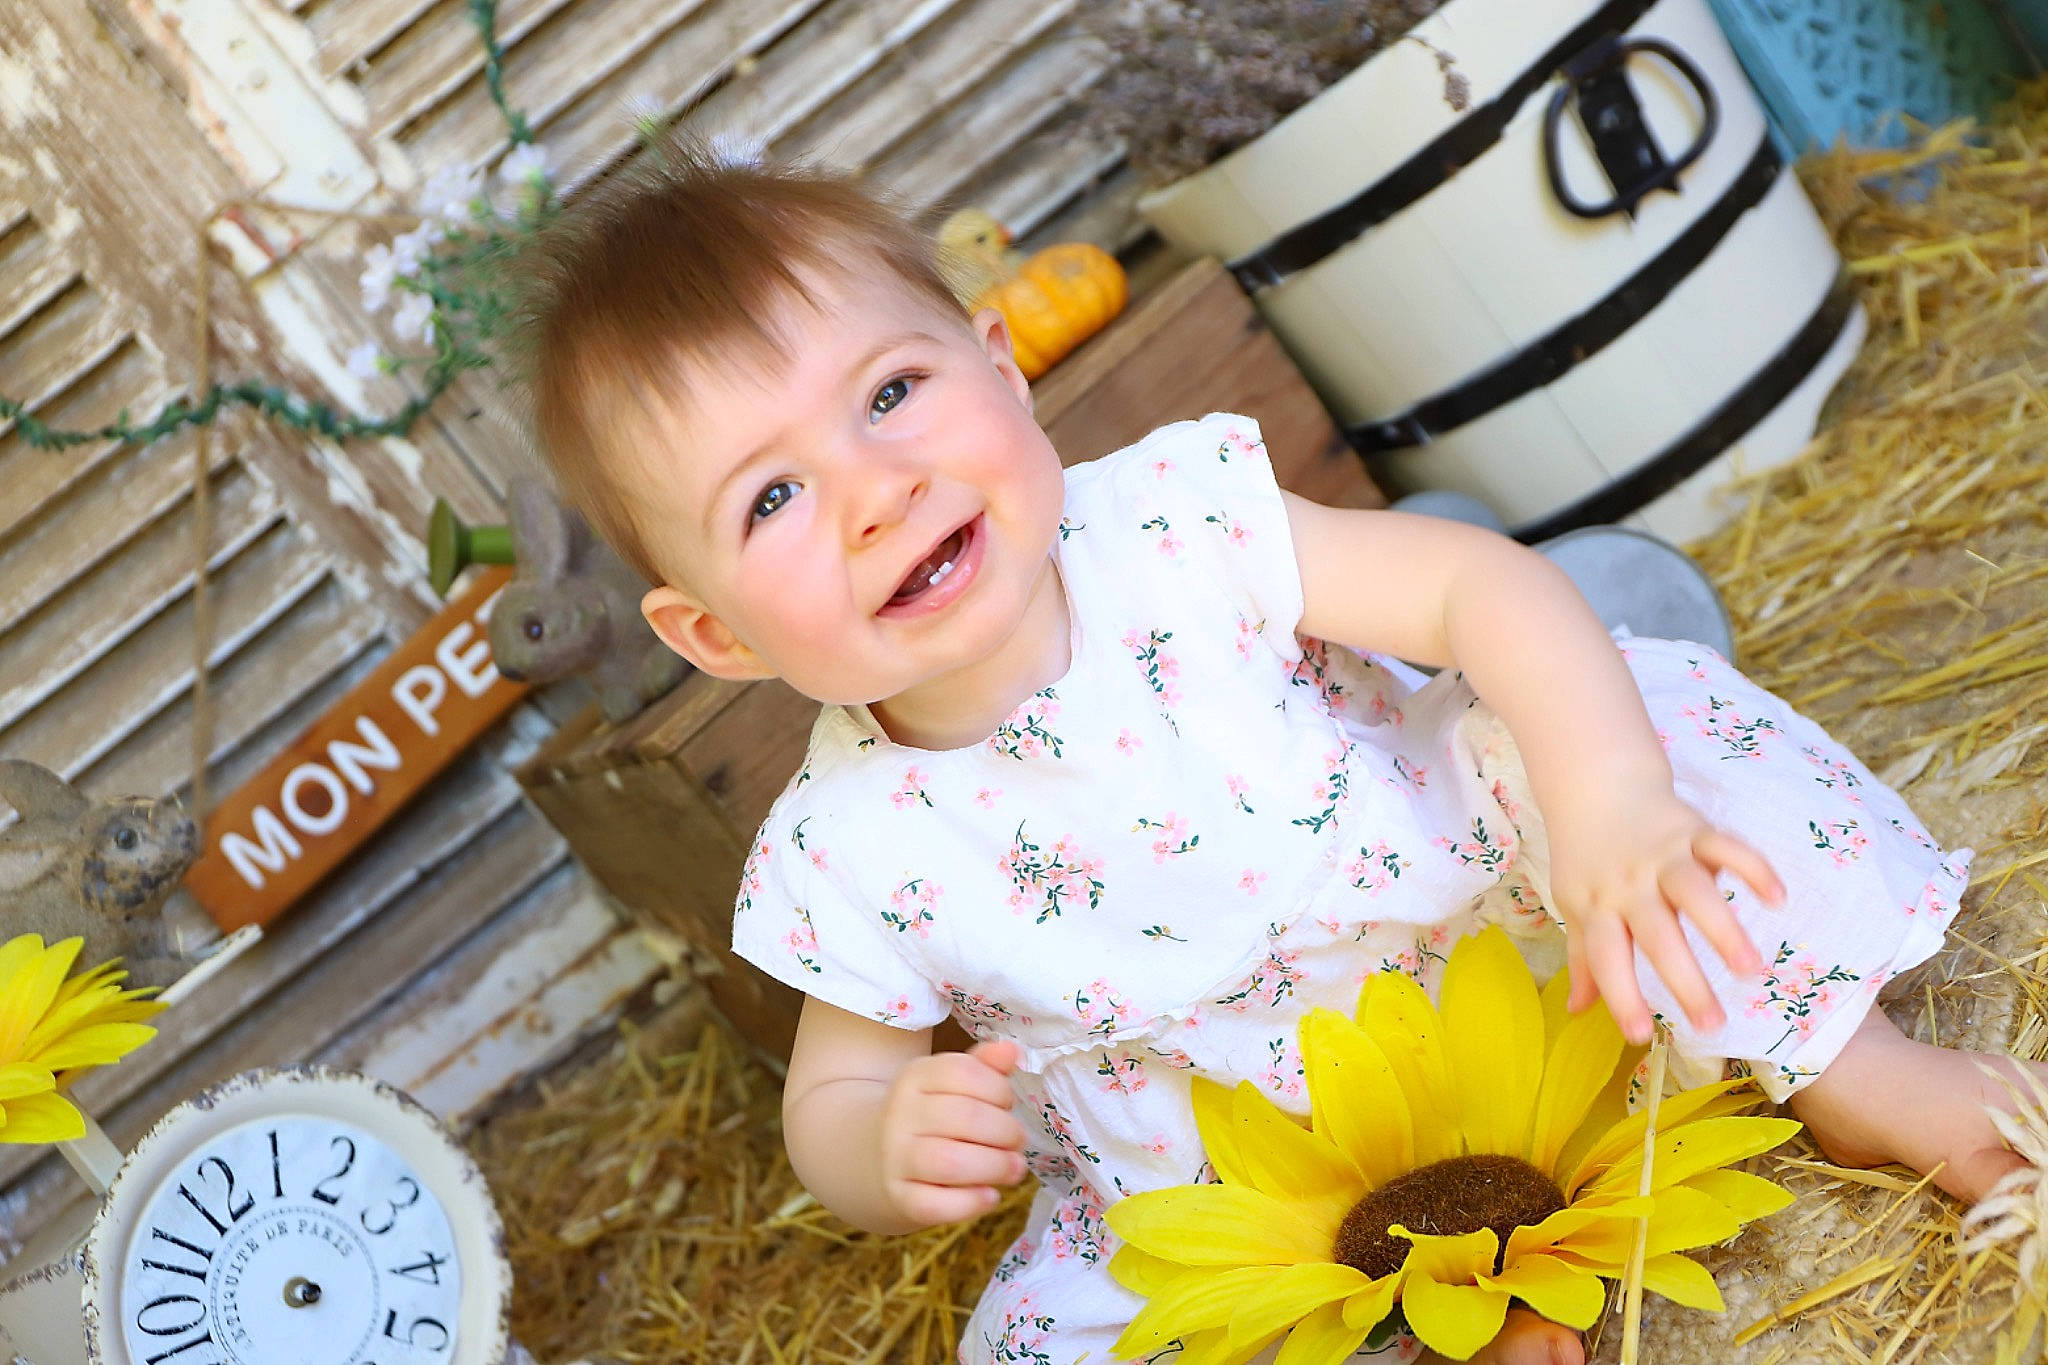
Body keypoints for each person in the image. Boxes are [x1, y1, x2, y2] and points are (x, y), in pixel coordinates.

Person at [513, 137, 2037, 1365]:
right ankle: (1443, 1311)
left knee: (1610, 762)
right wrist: (880, 1141)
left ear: (1001, 364)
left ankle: (1858, 1065)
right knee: (1068, 1336)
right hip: (1235, 1159)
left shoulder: (1181, 518)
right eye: (771, 500)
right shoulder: (840, 847)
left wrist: (1609, 800)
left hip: (1500, 935)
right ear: (715, 636)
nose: (875, 491)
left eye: (894, 394)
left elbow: (1472, 586)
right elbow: (829, 1095)